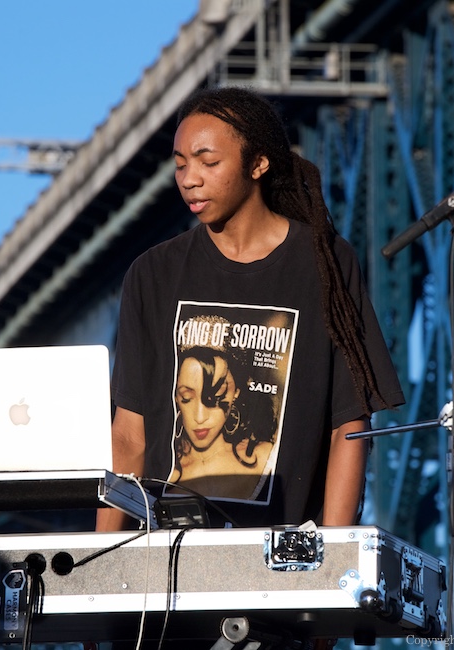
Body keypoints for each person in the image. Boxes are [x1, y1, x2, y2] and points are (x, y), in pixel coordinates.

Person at [97, 86, 404, 532]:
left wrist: (333, 562)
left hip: (286, 561)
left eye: (208, 161)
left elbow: (349, 424)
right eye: (180, 164)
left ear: (258, 164)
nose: (189, 178)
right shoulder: (152, 273)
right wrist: (100, 568)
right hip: (166, 559)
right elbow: (128, 434)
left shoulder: (323, 263)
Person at [168, 323, 277, 500]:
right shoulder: (165, 471)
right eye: (186, 398)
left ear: (236, 392)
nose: (200, 417)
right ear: (175, 397)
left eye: (216, 396)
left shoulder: (266, 456)